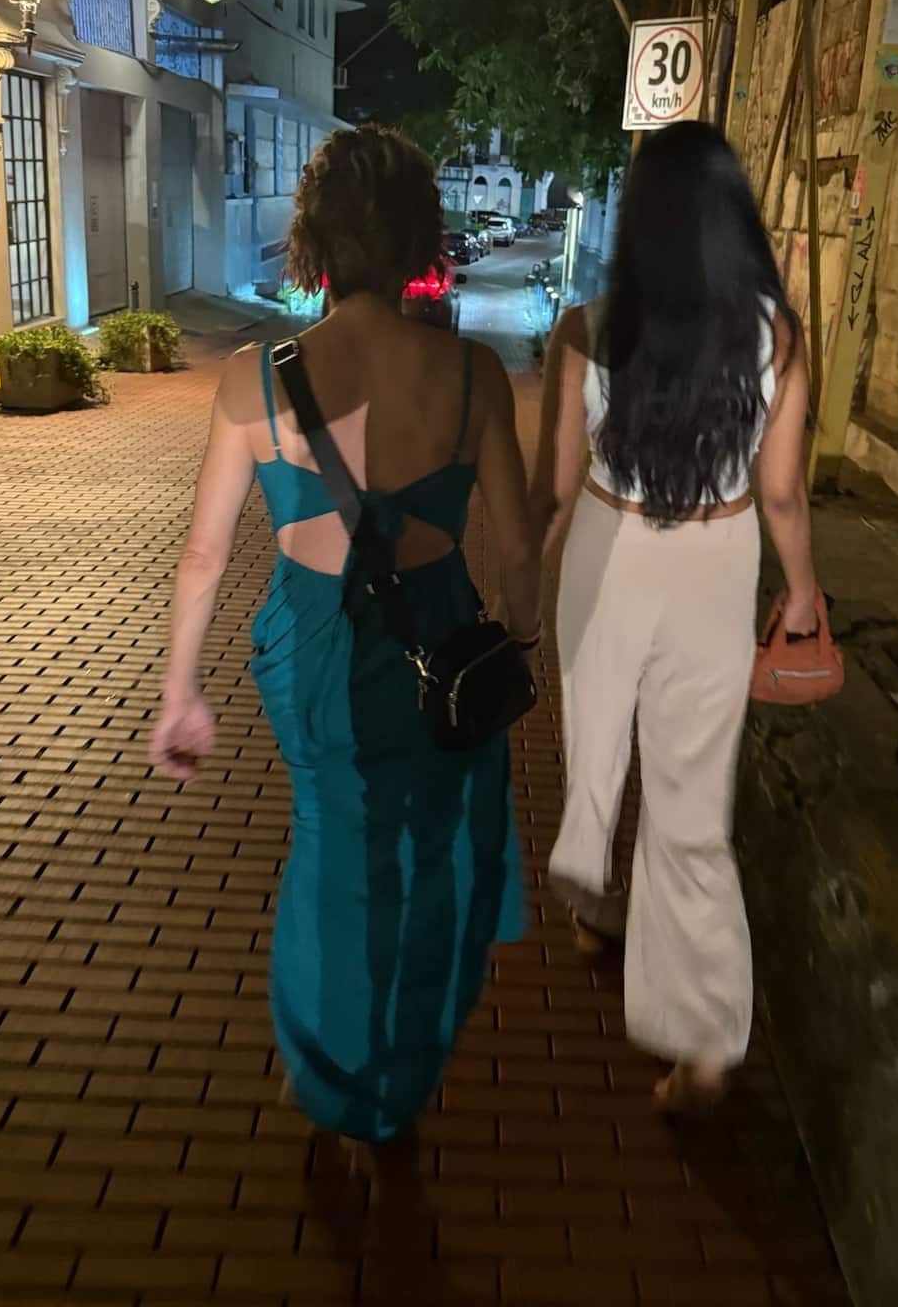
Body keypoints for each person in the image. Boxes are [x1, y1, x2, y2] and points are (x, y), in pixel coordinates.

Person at [151, 125, 539, 1144]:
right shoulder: (472, 376)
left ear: (313, 236)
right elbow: (521, 550)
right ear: (420, 233)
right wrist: (518, 641)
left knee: (330, 850)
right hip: (439, 643)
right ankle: (398, 1075)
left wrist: (179, 690)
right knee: (427, 857)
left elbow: (201, 557)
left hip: (313, 646)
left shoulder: (252, 377)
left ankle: (327, 1071)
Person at [531, 120, 818, 1113]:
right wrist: (807, 588)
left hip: (608, 556)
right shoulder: (778, 335)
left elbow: (558, 487)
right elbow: (781, 494)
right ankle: (701, 1047)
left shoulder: (588, 328)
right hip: (717, 562)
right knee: (694, 808)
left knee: (598, 749)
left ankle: (591, 904)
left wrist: (534, 581)